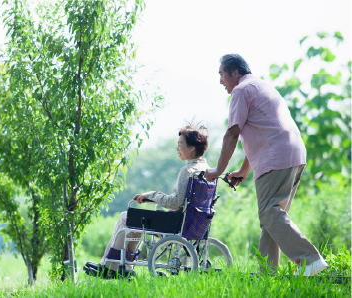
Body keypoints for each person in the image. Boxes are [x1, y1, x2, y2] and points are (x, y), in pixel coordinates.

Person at [204, 54, 327, 276]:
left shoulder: (241, 90)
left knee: (270, 214)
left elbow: (232, 134)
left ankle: (310, 260)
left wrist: (217, 171)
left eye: (222, 74)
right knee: (272, 218)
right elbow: (262, 133)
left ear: (235, 73)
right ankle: (266, 273)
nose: (220, 81)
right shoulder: (260, 85)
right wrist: (243, 171)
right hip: (292, 154)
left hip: (276, 158)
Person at [85, 122, 211, 278]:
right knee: (135, 222)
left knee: (126, 217)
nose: (177, 149)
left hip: (175, 222)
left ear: (192, 148)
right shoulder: (205, 169)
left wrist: (151, 195)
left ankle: (110, 265)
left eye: (180, 145)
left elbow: (175, 202)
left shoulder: (187, 171)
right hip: (191, 222)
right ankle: (123, 266)